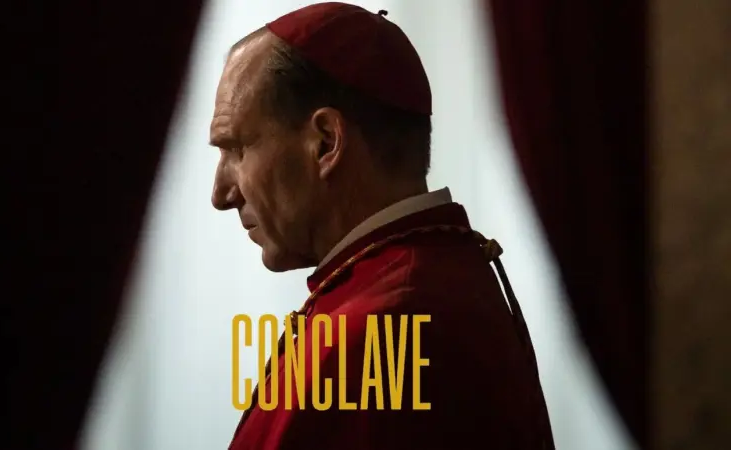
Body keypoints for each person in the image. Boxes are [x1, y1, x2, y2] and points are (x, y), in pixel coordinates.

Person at [210, 3, 554, 449]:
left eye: (237, 149)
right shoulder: (435, 277)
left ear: (326, 143)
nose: (221, 194)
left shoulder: (382, 328)